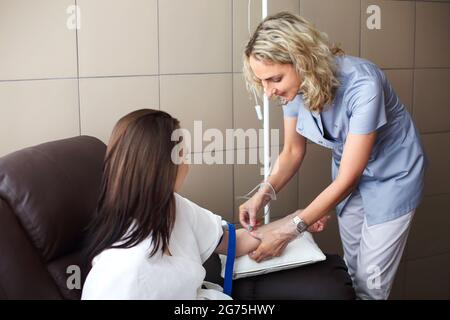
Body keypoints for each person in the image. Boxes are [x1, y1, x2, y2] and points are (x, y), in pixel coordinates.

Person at [239, 12, 427, 300]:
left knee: (371, 284)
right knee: (353, 274)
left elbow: (348, 178)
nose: (268, 91)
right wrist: (263, 193)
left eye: (274, 79)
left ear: (302, 60)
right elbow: (292, 151)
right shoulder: (294, 90)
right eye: (262, 81)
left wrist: (290, 230)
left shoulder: (363, 84)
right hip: (348, 176)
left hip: (393, 177)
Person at [81, 109, 264, 300]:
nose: (187, 165)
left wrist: (293, 226)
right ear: (161, 167)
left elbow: (232, 241)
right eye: (182, 155)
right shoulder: (125, 271)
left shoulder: (172, 206)